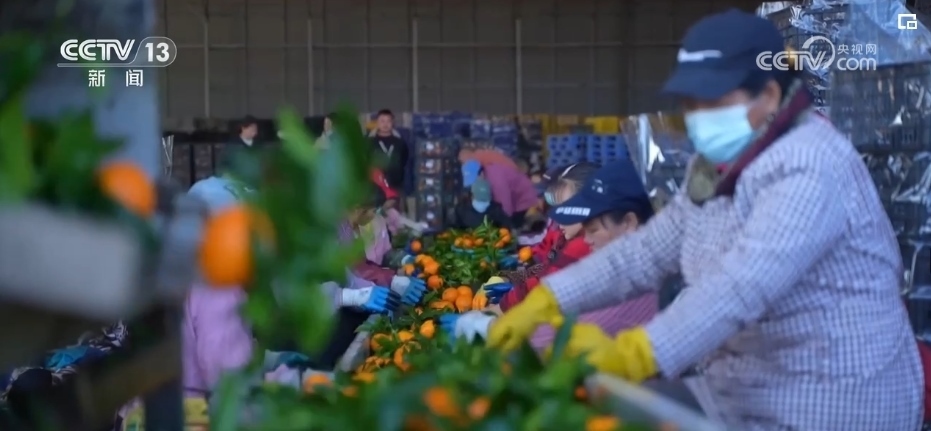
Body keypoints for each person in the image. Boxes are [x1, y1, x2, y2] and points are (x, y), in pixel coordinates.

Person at [486, 9, 922, 431]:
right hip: (740, 390)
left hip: (831, 401)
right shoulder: (717, 164)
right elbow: (645, 252)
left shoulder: (809, 162)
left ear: (769, 96)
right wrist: (551, 299)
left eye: (713, 101)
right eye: (691, 103)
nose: (699, 116)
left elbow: (744, 284)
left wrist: (638, 353)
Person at [441, 160, 658, 350]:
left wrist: (491, 326)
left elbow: (561, 337)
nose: (587, 238)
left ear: (629, 223)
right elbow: (556, 276)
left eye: (593, 229)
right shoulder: (618, 264)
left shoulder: (637, 284)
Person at [461, 159, 537, 228]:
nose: (474, 185)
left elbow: (506, 209)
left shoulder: (496, 181)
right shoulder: (485, 178)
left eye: (474, 181)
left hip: (523, 200)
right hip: (512, 200)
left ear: (481, 173)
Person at [368, 109, 409, 202]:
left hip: (395, 185)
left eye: (388, 121)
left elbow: (404, 160)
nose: (385, 124)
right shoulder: (369, 143)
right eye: (382, 121)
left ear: (392, 123)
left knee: (396, 210)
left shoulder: (400, 143)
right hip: (374, 188)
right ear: (377, 123)